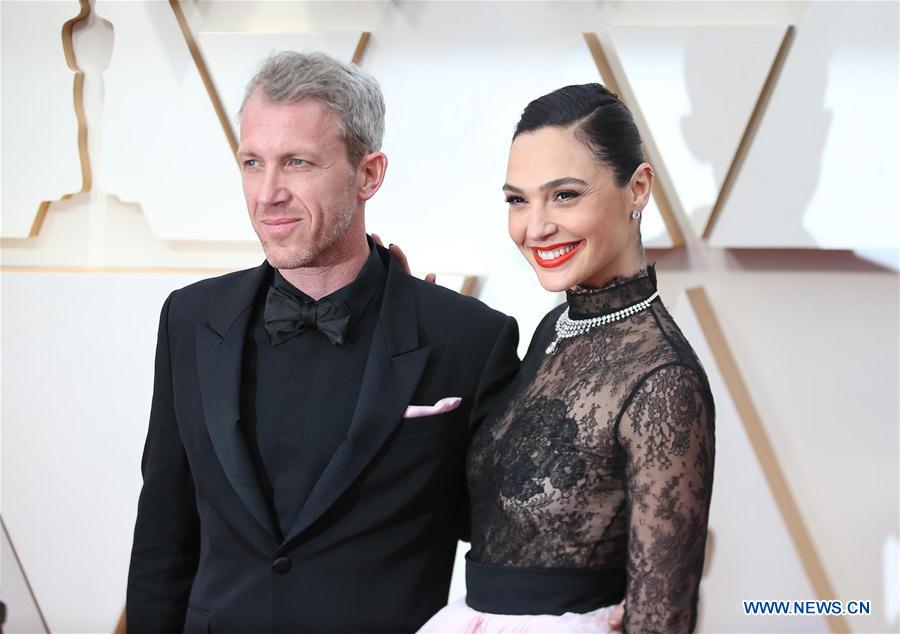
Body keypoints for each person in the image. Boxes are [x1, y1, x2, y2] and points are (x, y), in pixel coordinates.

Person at [125, 51, 521, 633]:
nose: (267, 193)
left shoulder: (467, 340)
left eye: (298, 163)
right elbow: (162, 539)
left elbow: (501, 546)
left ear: (369, 174)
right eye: (253, 162)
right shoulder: (189, 319)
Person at [420, 84, 716, 633]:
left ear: (639, 188)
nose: (535, 227)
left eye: (565, 195)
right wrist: (428, 345)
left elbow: (663, 620)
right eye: (517, 199)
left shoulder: (663, 381)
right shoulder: (555, 329)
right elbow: (496, 517)